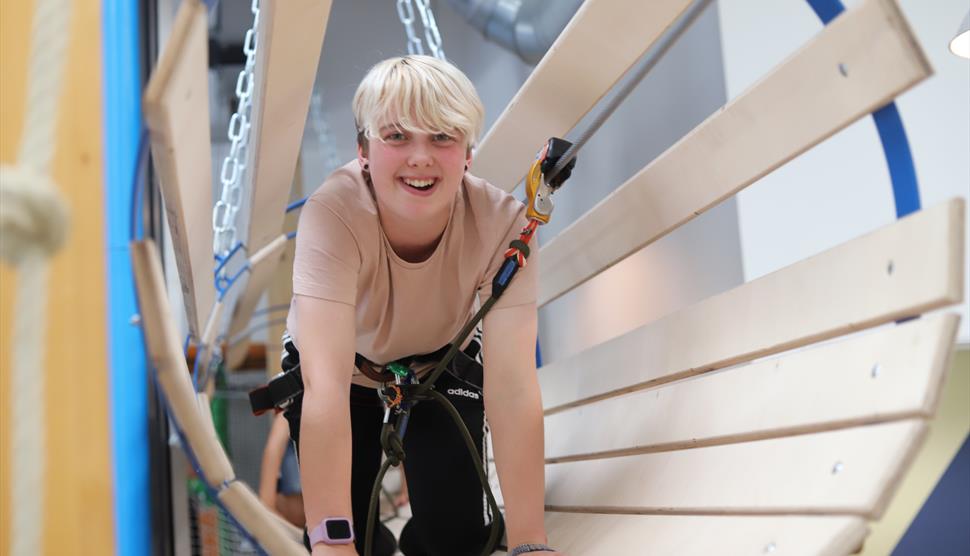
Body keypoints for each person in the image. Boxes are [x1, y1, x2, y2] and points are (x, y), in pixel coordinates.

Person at [282, 55, 561, 556]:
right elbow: (322, 388)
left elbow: (514, 386)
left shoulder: (504, 225)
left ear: (468, 153)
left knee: (457, 543)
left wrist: (529, 542)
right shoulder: (332, 214)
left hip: (439, 366)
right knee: (351, 540)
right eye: (396, 137)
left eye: (442, 137)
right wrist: (331, 545)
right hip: (346, 377)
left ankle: (426, 536)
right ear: (363, 149)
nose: (420, 157)